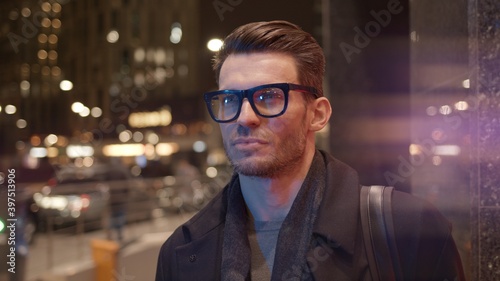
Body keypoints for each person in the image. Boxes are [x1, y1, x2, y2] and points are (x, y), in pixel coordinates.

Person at [155, 20, 465, 280]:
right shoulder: (183, 251)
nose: (245, 117)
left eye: (268, 97)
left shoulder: (408, 230)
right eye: (230, 100)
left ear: (317, 114)